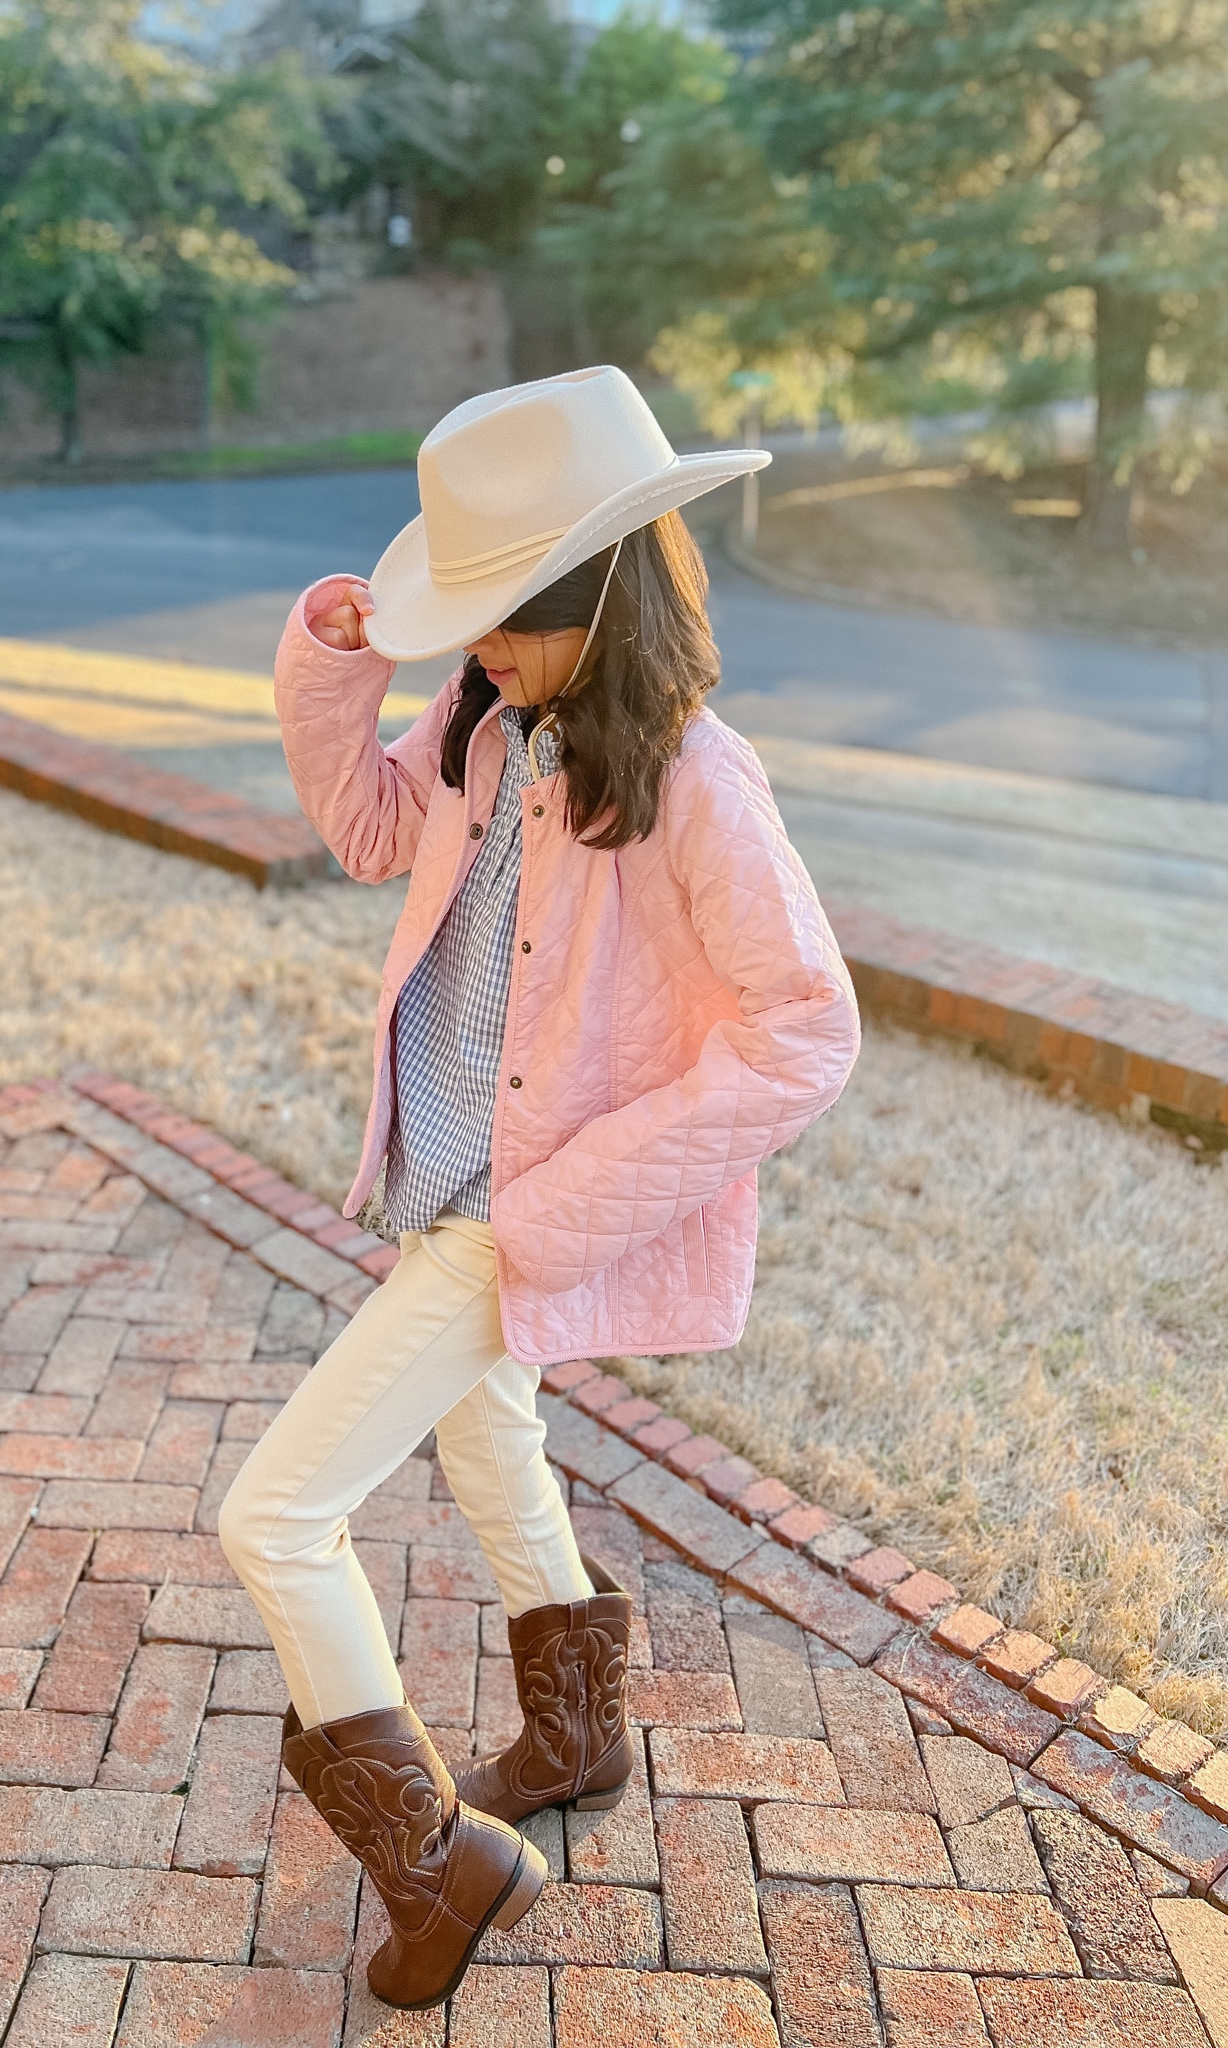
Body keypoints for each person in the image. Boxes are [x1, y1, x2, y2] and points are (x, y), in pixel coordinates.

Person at [219, 364, 861, 2011]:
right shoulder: (484, 727)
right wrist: (331, 668)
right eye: (473, 612)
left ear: (607, 593)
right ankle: (573, 1737)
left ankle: (438, 1865)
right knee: (486, 1425)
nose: (480, 643)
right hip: (454, 1182)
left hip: (518, 1208)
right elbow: (369, 833)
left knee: (276, 1516)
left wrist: (559, 1215)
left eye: (513, 612)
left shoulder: (699, 783)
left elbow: (807, 1032)